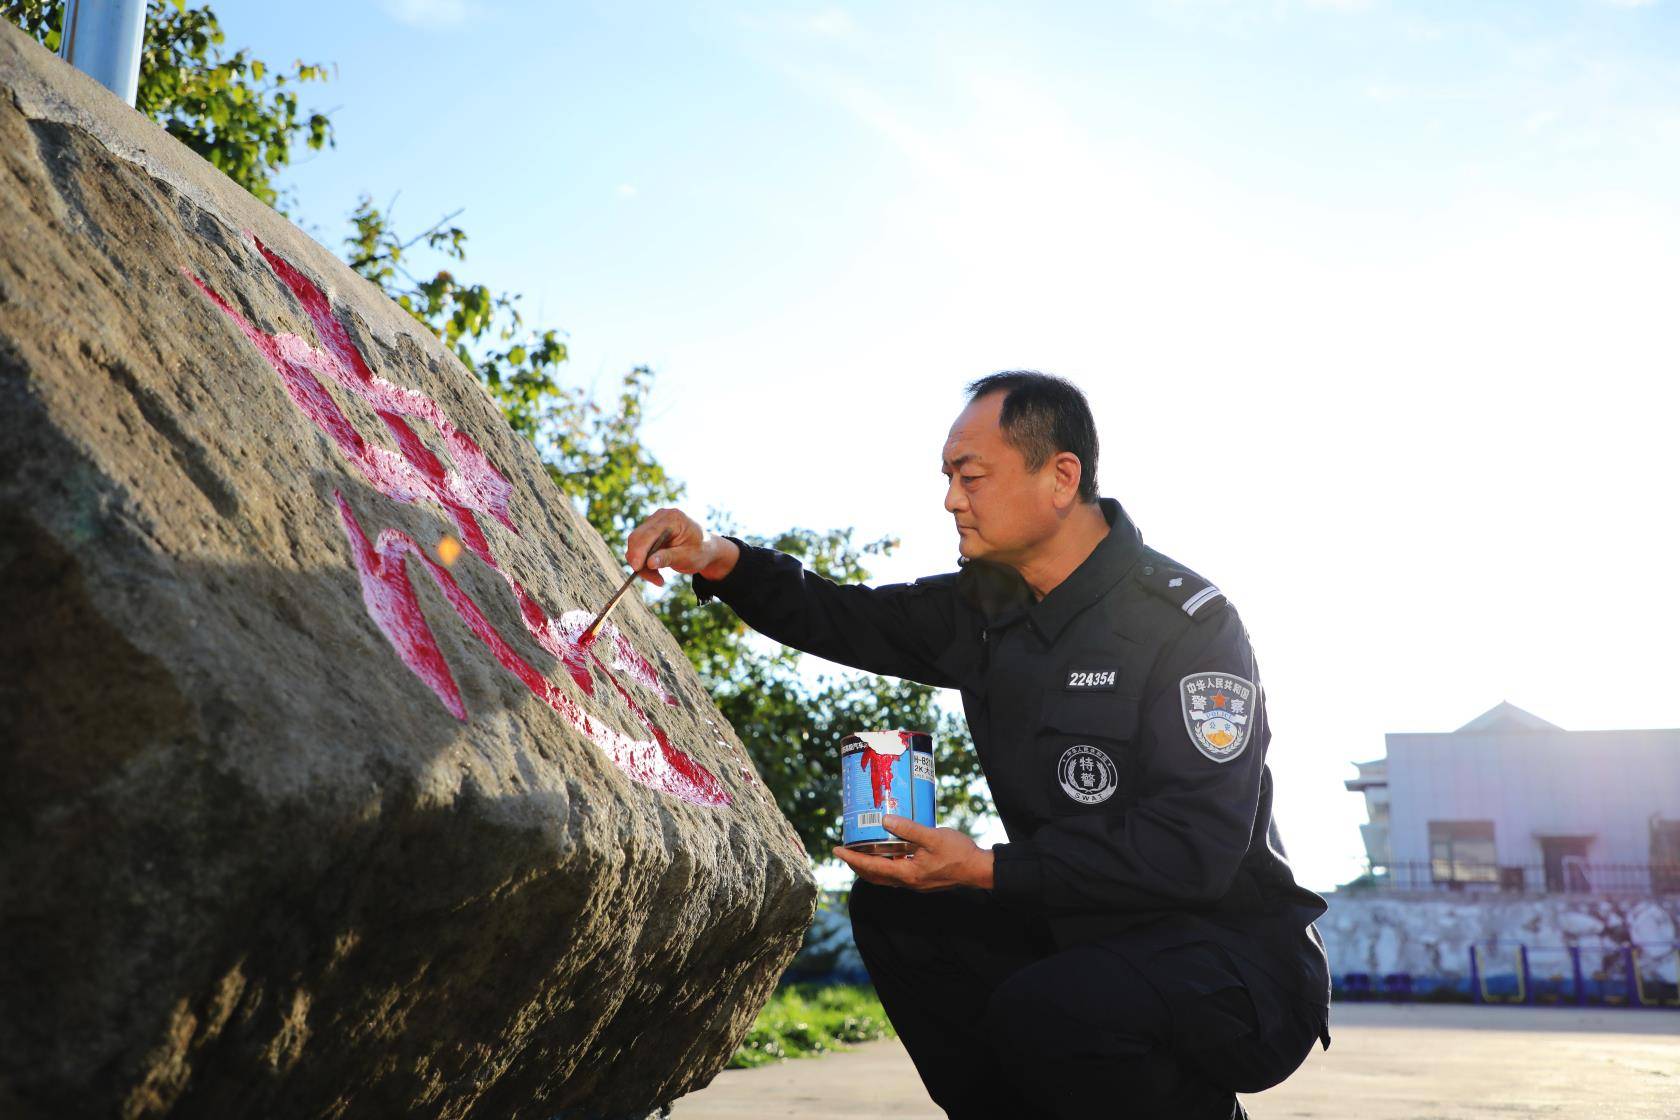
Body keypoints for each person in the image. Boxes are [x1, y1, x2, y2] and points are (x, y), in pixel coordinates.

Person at [625, 372, 1330, 1119]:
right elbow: (845, 615)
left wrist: (989, 869)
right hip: (1086, 929)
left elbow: (1194, 849)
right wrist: (718, 557)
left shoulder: (1186, 624)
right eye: (948, 477)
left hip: (1235, 960)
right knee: (899, 916)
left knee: (1055, 1009)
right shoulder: (987, 607)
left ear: (1062, 476)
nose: (951, 499)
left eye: (971, 475)